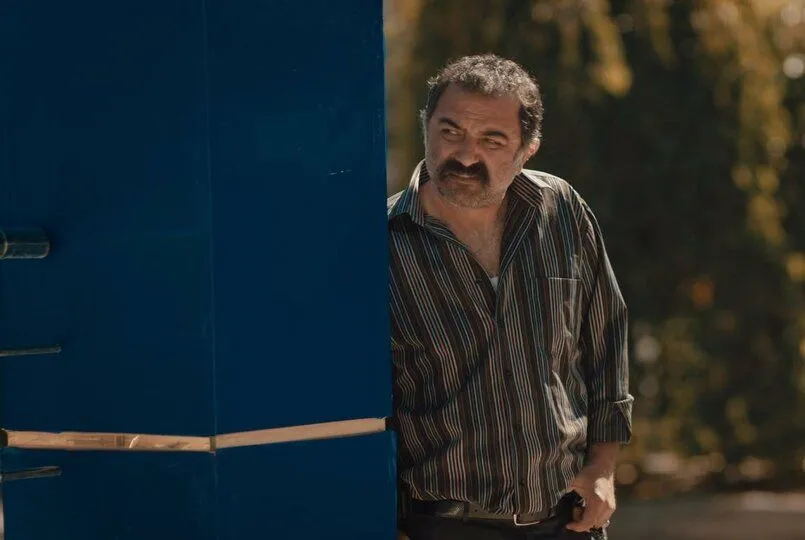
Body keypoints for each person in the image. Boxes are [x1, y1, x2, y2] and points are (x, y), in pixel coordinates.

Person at [387, 54, 634, 540]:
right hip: (446, 526)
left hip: (568, 520)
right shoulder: (383, 243)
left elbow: (606, 343)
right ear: (426, 127)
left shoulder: (563, 211)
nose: (465, 156)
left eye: (492, 140)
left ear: (527, 149)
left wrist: (603, 468)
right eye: (450, 132)